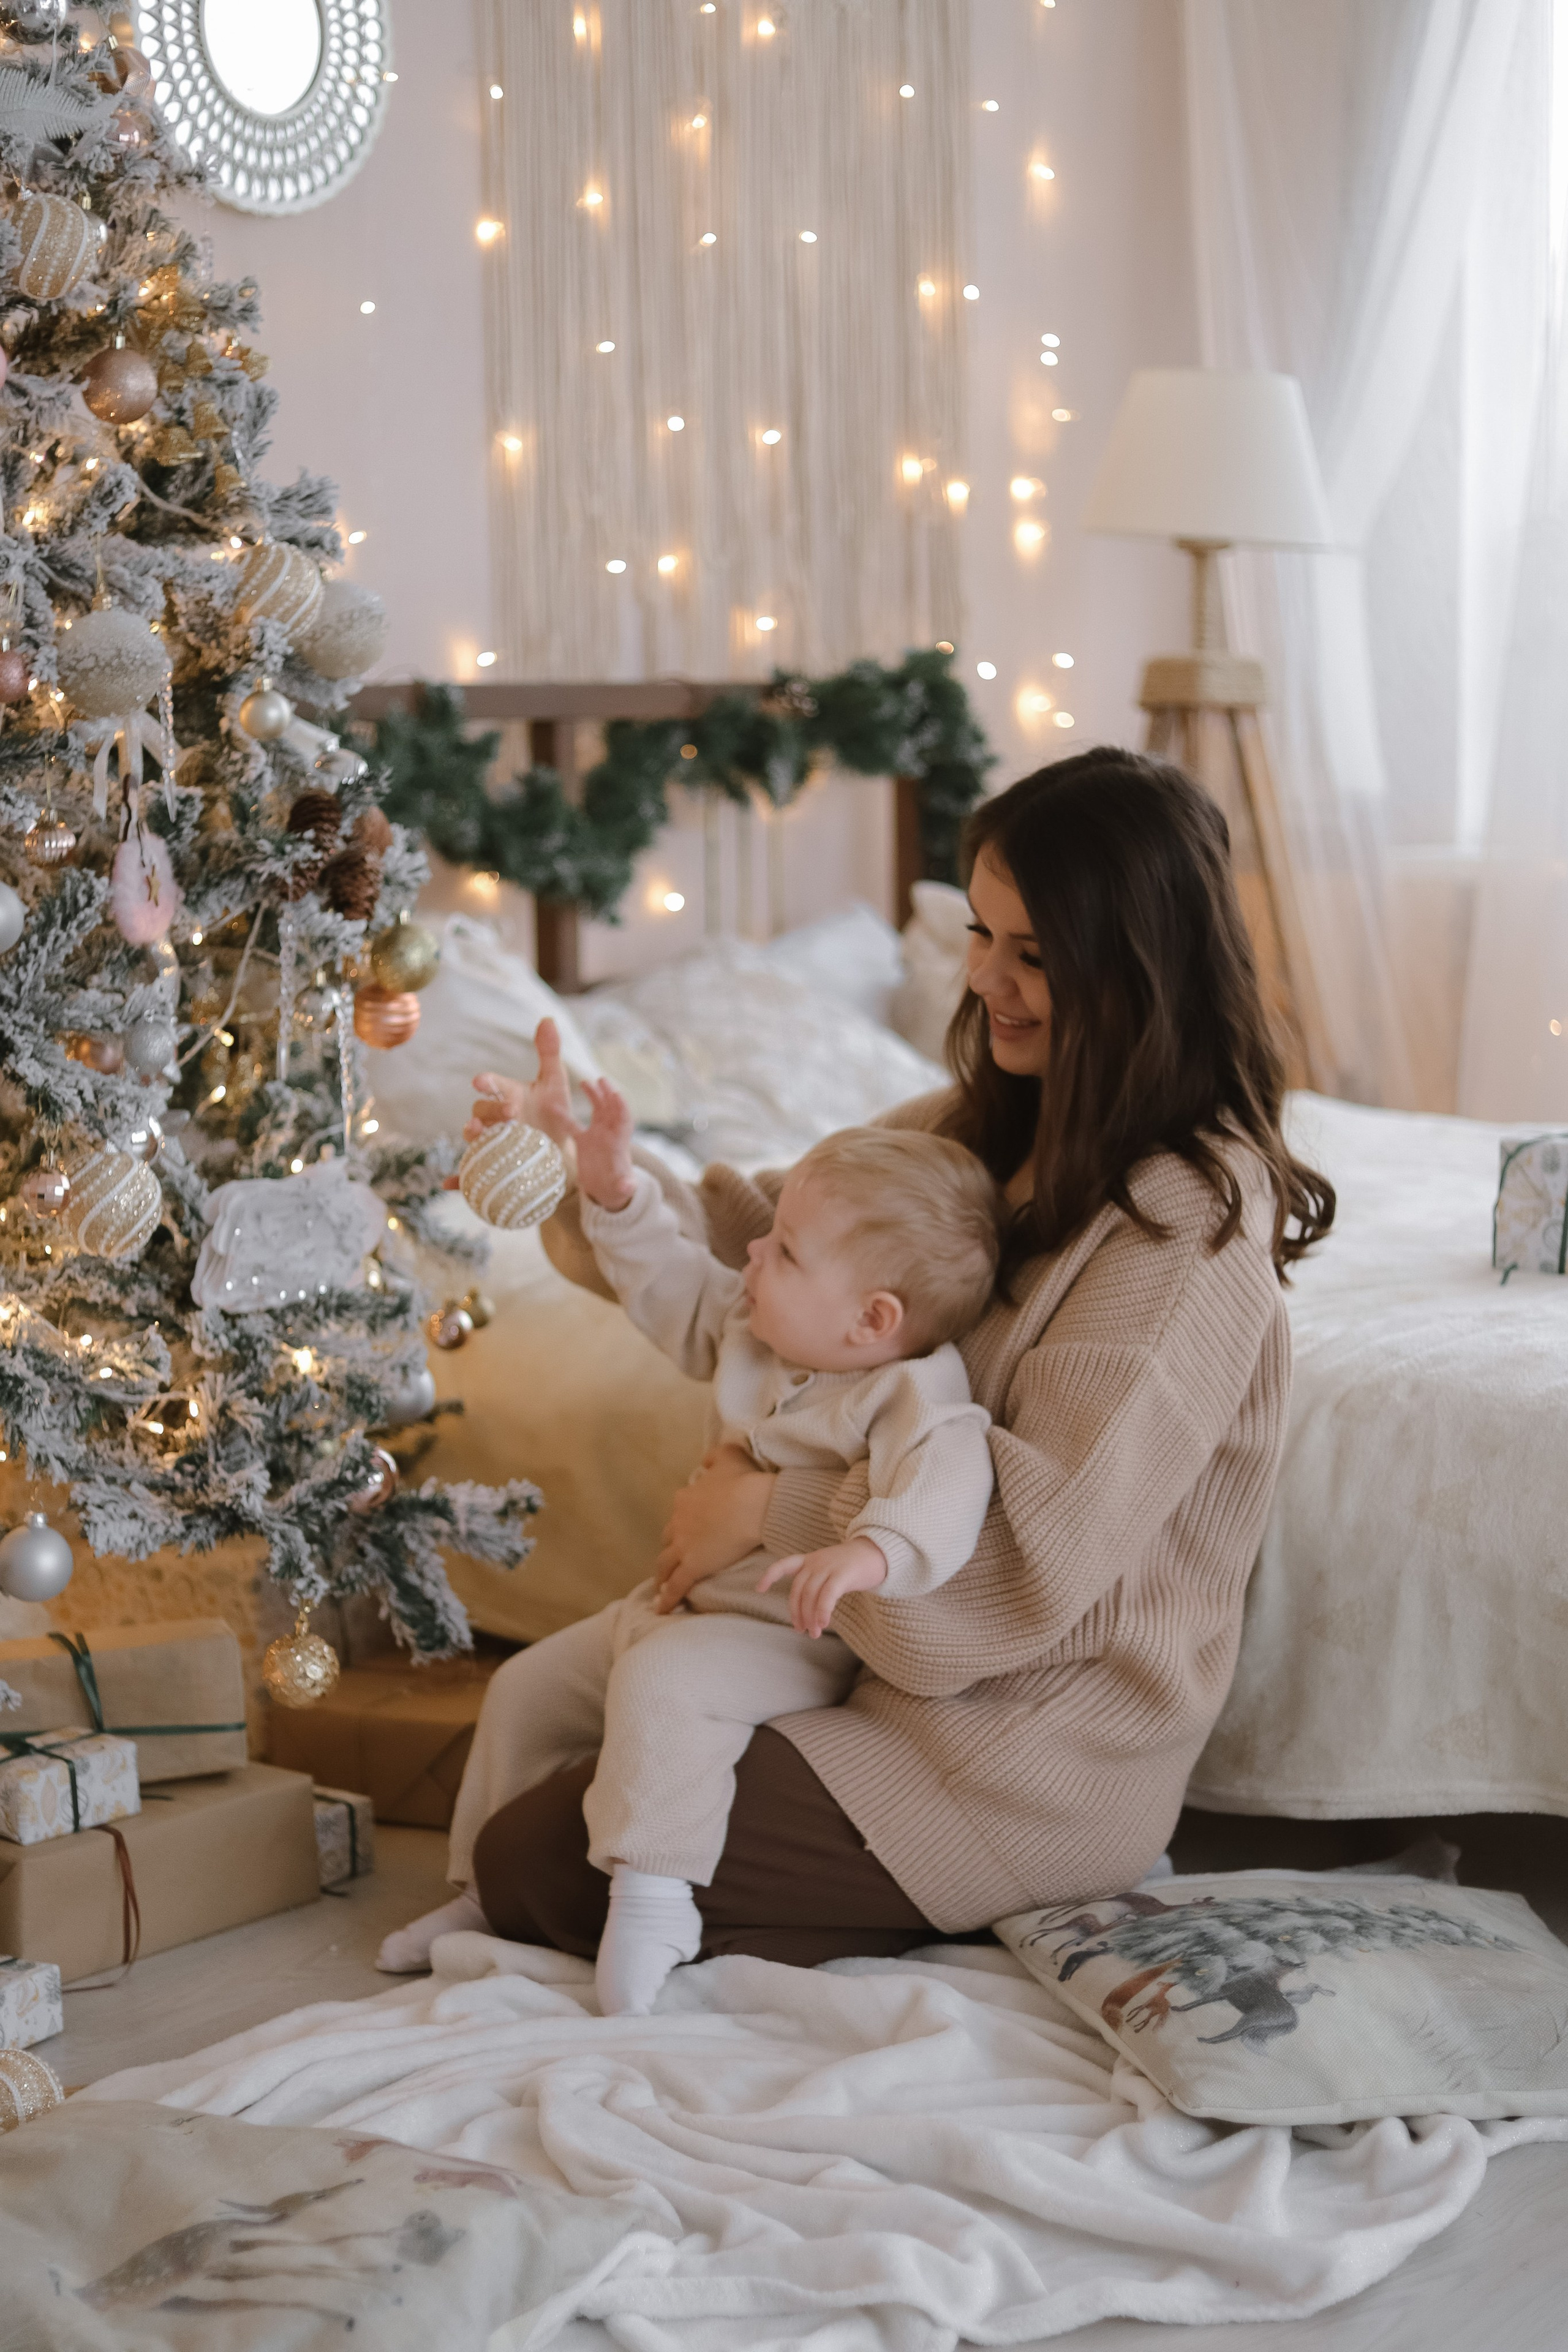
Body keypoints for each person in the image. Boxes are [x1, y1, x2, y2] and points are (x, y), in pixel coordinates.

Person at [379, 747, 1335, 1984]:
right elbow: (761, 1243)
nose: (984, 979)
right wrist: (593, 1172)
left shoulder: (1185, 1223)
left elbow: (1017, 1574)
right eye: (980, 935)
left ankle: (987, 1890)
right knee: (575, 1776)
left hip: (1016, 1754)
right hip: (851, 1670)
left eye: (1032, 954)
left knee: (542, 1866)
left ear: (1135, 968)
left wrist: (763, 1509)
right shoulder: (979, 1122)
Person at [384, 1094, 999, 2013]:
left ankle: (656, 1895)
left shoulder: (910, 1391)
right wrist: (619, 1194)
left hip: (788, 1637)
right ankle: (479, 1895)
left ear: (872, 1321)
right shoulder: (758, 1327)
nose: (752, 1252)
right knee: (526, 1690)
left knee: (666, 1687)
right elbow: (668, 1282)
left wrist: (870, 1555)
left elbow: (950, 1483)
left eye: (785, 1249)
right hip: (678, 1607)